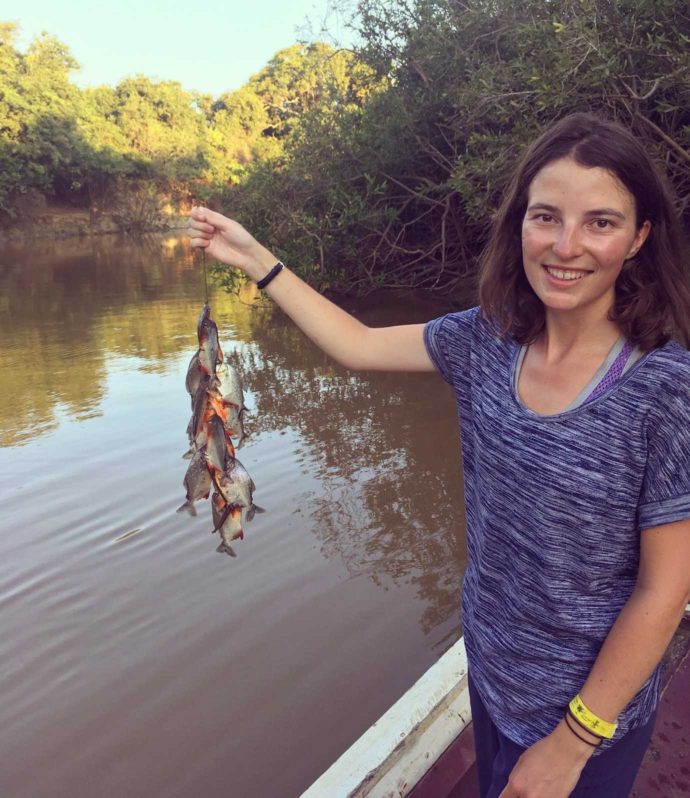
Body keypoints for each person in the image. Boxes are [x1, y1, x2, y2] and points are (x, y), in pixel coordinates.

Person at [187, 112, 690, 798]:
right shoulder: (483, 342)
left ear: (639, 238)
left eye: (600, 222)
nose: (566, 245)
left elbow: (664, 591)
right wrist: (254, 258)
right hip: (490, 670)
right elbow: (358, 345)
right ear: (520, 226)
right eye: (546, 217)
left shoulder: (664, 392)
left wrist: (574, 742)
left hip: (586, 715)